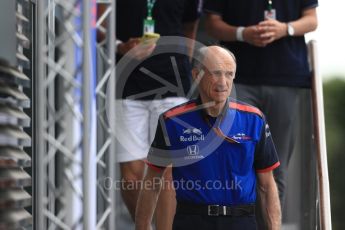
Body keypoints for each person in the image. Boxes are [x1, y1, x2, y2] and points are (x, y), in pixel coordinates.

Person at [135, 46, 281, 230]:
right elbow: (152, 181)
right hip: (192, 221)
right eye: (216, 73)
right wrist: (142, 227)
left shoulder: (254, 119)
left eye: (229, 74)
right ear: (197, 75)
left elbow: (267, 185)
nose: (223, 82)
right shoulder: (172, 121)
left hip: (241, 221)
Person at [203, 0, 318, 216]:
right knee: (232, 160)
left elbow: (312, 20)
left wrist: (286, 28)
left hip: (285, 78)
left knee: (276, 167)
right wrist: (242, 33)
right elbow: (211, 24)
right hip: (237, 80)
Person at [98, 0, 202, 229]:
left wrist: (184, 60)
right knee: (131, 178)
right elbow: (97, 24)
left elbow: (190, 25)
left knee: (167, 174)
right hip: (126, 84)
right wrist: (120, 46)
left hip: (173, 85)